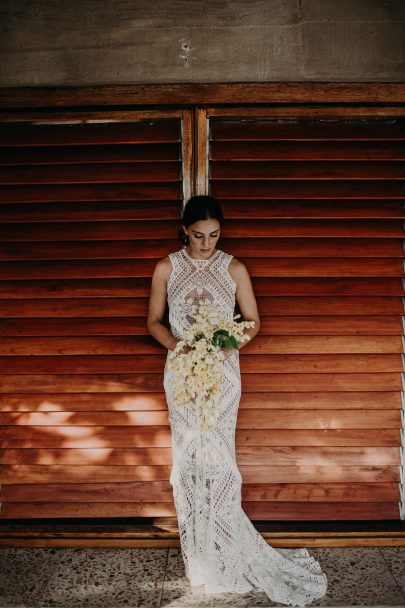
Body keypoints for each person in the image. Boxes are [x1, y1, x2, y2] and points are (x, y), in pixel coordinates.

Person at [147, 195, 328, 607]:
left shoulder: (234, 267)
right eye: (198, 235)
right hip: (181, 372)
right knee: (188, 457)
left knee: (220, 459)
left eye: (214, 235)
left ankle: (226, 555)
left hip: (223, 373)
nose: (206, 243)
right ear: (184, 230)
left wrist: (227, 345)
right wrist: (179, 347)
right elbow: (153, 321)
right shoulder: (165, 267)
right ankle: (198, 560)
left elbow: (253, 320)